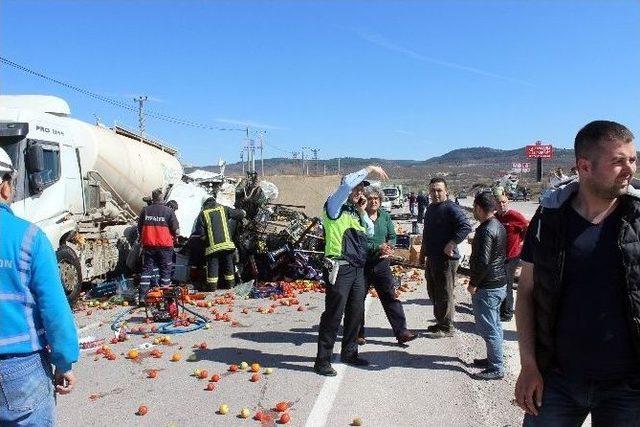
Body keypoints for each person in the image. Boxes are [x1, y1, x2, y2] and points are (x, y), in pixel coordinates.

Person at [515, 120, 640, 425]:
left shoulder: (637, 217)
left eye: (633, 159)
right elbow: (526, 294)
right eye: (618, 161)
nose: (630, 169)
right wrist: (529, 365)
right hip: (557, 380)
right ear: (584, 166)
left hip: (627, 386)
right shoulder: (549, 220)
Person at [0, 151, 79, 424]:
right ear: (5, 184)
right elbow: (54, 308)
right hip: (18, 368)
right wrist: (64, 361)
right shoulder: (28, 237)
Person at [314, 165, 388, 376]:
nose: (359, 192)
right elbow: (347, 184)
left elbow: (370, 231)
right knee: (333, 315)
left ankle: (349, 352)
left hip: (357, 270)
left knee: (356, 313)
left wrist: (362, 210)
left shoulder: (356, 213)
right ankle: (322, 360)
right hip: (339, 268)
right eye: (357, 188)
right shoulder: (334, 207)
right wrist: (370, 169)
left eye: (362, 189)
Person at [357, 186, 417, 346]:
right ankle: (358, 333)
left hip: (382, 263)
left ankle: (402, 332)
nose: (374, 201)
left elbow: (391, 235)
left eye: (376, 198)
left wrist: (389, 246)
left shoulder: (384, 216)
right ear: (365, 200)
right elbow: (359, 241)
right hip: (362, 264)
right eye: (370, 198)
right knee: (357, 299)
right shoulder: (359, 217)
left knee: (390, 297)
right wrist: (377, 247)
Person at [419, 177, 472, 338]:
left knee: (444, 292)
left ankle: (447, 327)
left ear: (446, 191)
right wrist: (422, 253)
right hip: (432, 258)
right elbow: (427, 233)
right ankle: (440, 321)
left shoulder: (451, 208)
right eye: (433, 190)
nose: (435, 193)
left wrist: (452, 243)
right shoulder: (430, 208)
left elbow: (466, 226)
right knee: (433, 291)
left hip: (446, 260)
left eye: (439, 190)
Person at [467, 191, 507, 380]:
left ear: (479, 208)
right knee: (495, 325)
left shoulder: (485, 230)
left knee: (489, 327)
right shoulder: (497, 225)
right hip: (498, 283)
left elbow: (483, 262)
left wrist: (474, 283)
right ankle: (494, 358)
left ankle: (496, 367)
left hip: (488, 285)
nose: (474, 211)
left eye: (475, 207)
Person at [194, 196, 246, 290]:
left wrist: (206, 241)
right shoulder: (223, 208)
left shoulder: (203, 213)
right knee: (229, 265)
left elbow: (200, 232)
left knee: (213, 267)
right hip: (227, 245)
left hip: (213, 247)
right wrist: (243, 212)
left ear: (204, 203)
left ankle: (212, 288)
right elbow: (238, 214)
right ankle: (231, 286)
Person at [138, 188, 180, 302]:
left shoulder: (145, 210)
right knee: (165, 271)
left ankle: (142, 297)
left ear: (153, 198)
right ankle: (166, 298)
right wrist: (175, 237)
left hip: (148, 245)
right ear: (162, 198)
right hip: (165, 246)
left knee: (146, 271)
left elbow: (140, 228)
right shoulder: (168, 211)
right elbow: (176, 231)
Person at [494, 194, 529, 321]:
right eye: (499, 203)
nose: (501, 205)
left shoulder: (515, 216)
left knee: (507, 284)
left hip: (511, 256)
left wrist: (521, 241)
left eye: (504, 202)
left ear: (507, 203)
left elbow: (527, 228)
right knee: (499, 284)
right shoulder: (495, 217)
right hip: (498, 257)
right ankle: (500, 308)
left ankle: (507, 313)